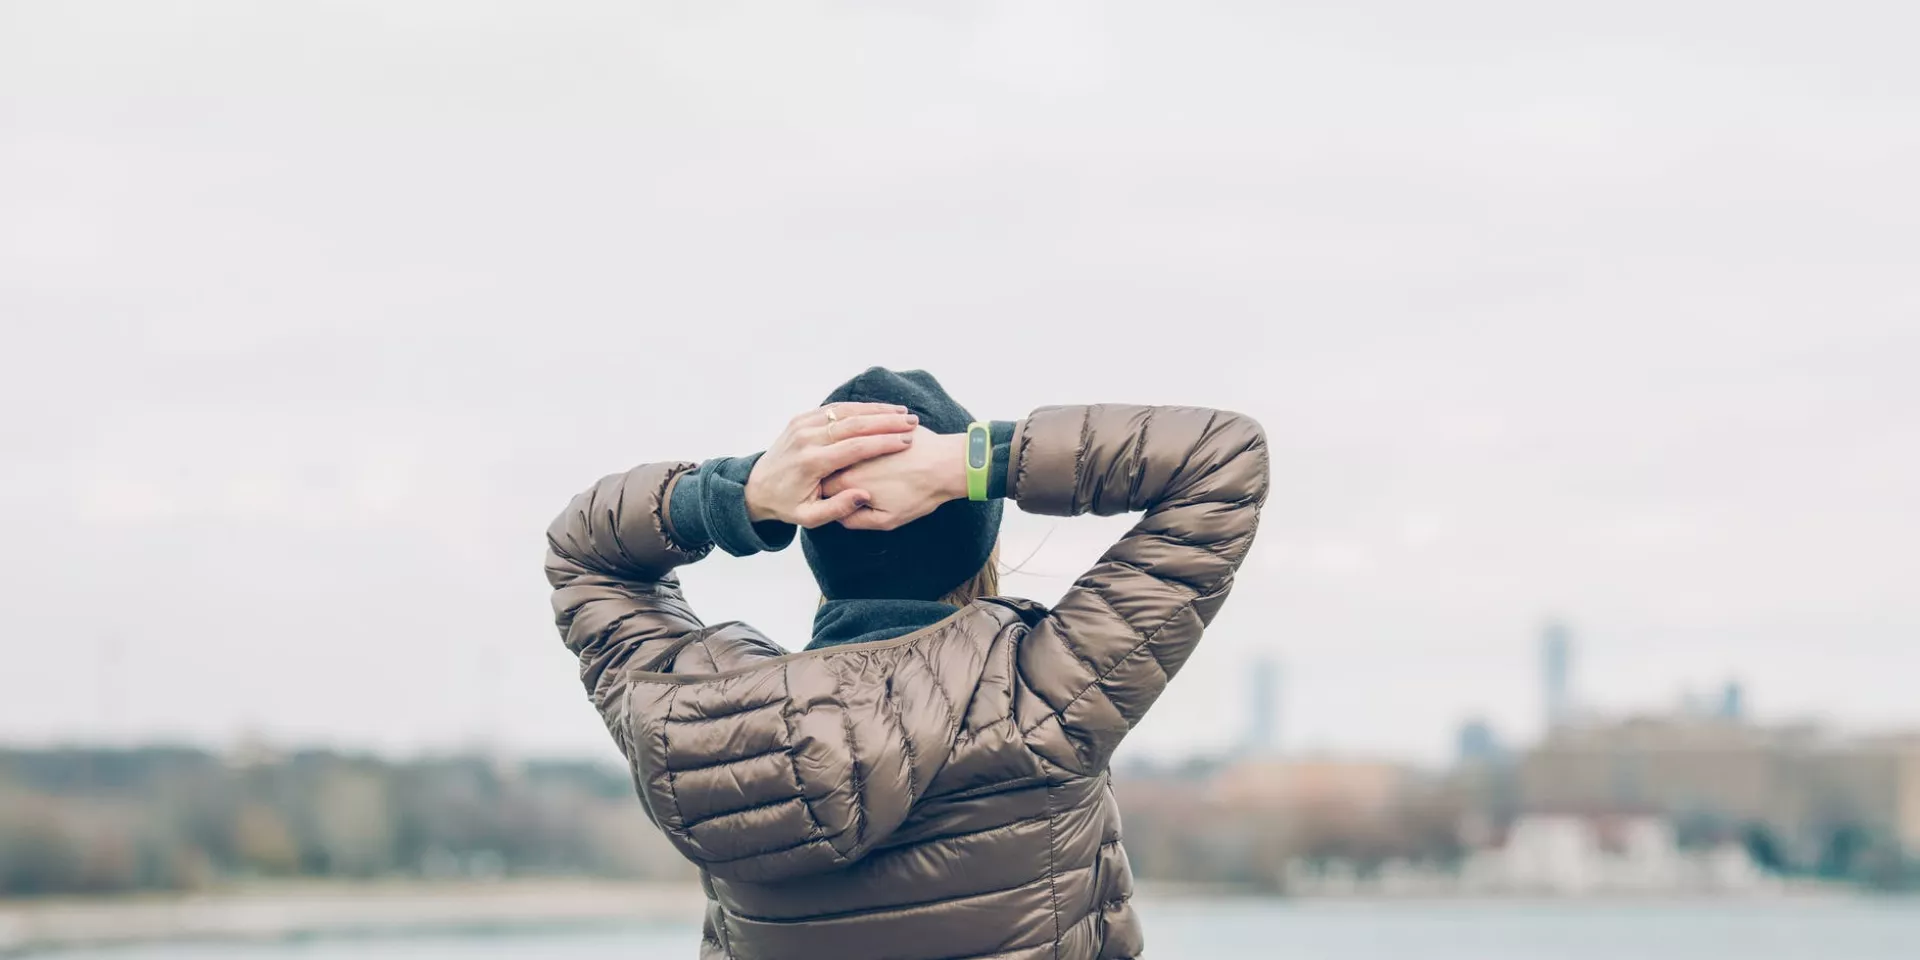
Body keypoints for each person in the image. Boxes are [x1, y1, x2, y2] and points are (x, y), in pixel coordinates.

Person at [544, 367, 1268, 960]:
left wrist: (747, 493)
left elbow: (585, 554)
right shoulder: (1043, 695)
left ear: (813, 537)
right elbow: (1219, 459)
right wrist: (970, 462)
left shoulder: (695, 721)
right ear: (977, 543)